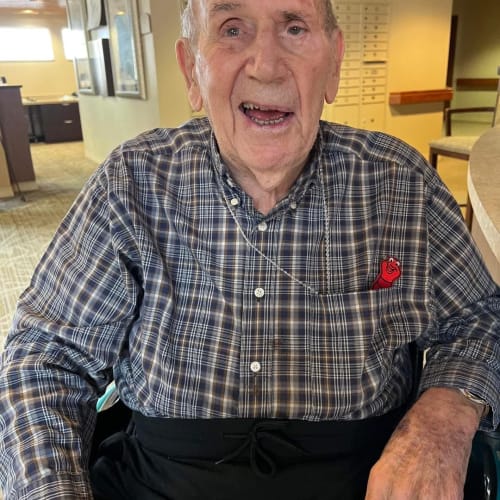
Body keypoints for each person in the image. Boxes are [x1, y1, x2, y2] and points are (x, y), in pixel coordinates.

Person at [0, 0, 498, 498]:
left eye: (295, 28)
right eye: (232, 29)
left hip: (363, 478)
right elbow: (44, 356)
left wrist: (444, 417)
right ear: (191, 69)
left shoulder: (399, 183)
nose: (265, 65)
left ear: (333, 64)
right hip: (160, 479)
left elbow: (480, 318)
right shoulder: (131, 183)